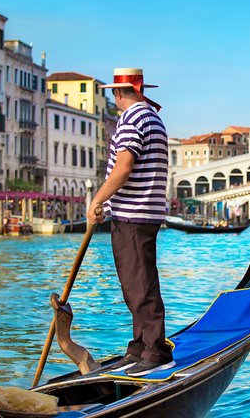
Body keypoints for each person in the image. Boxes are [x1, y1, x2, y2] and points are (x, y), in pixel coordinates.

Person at [87, 68, 173, 377]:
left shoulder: (131, 119)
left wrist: (97, 200)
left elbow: (123, 168)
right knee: (135, 282)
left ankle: (156, 350)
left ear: (118, 93)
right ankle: (139, 346)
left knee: (139, 283)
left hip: (133, 212)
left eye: (114, 93)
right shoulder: (152, 117)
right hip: (143, 211)